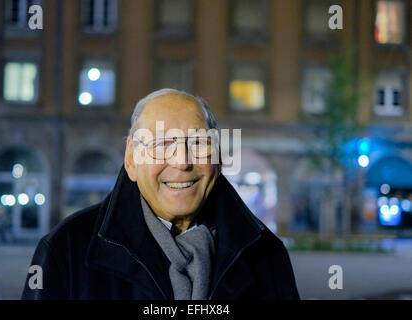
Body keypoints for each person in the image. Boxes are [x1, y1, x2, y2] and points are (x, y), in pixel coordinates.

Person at [22, 88, 300, 300]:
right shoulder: (66, 250)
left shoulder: (265, 254)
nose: (182, 161)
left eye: (198, 142)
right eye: (161, 143)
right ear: (131, 159)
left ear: (217, 157)